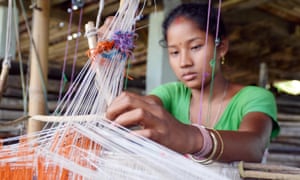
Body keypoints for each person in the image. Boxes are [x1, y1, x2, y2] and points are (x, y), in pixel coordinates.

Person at [105, 2, 279, 165]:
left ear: (222, 47)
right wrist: (106, 66)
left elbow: (254, 146)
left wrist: (192, 138)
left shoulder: (253, 98)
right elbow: (141, 111)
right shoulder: (170, 94)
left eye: (196, 47)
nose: (184, 62)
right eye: (174, 52)